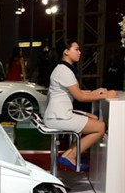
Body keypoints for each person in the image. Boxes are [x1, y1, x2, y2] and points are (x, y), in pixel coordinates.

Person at [43, 37, 117, 170]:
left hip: (58, 114)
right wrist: (106, 95)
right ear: (66, 52)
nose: (80, 52)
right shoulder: (64, 71)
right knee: (101, 127)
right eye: (76, 49)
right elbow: (80, 97)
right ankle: (71, 156)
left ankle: (69, 154)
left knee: (94, 119)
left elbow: (77, 91)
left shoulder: (63, 68)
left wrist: (95, 92)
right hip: (58, 117)